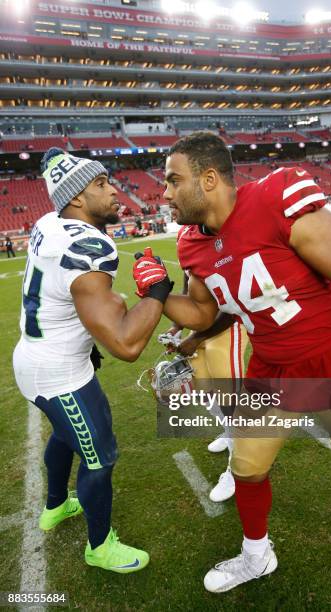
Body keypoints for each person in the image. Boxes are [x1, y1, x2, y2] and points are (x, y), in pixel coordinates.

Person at [134, 132, 331, 593]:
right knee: (247, 466)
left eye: (172, 180)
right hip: (270, 368)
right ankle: (256, 555)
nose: (163, 193)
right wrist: (159, 295)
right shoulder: (192, 245)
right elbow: (204, 313)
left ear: (208, 179)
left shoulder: (277, 198)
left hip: (330, 364)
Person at [13, 148, 172, 574]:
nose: (114, 190)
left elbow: (67, 298)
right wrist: (156, 293)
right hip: (59, 373)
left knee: (65, 436)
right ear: (77, 200)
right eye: (100, 184)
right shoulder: (89, 245)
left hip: (39, 356)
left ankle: (55, 505)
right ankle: (99, 546)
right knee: (100, 456)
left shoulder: (49, 222)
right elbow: (126, 344)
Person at [165, 271, 248, 502]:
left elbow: (234, 306)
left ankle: (239, 464)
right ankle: (230, 435)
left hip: (228, 329)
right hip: (200, 330)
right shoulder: (187, 239)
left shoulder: (223, 242)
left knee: (230, 401)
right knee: (204, 392)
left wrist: (196, 338)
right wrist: (177, 327)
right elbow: (188, 292)